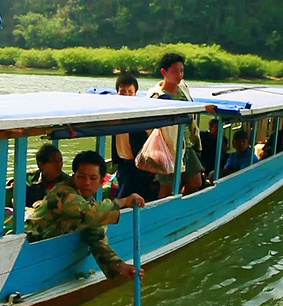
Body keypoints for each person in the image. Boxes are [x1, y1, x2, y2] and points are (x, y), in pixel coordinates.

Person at [25, 150, 145, 281]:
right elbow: (89, 214)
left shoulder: (90, 203)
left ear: (101, 182)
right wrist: (122, 201)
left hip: (50, 252)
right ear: (74, 176)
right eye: (81, 176)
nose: (87, 182)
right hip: (27, 246)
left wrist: (120, 266)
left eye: (93, 178)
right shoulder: (64, 193)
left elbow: (96, 237)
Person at [147, 53, 216, 196]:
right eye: (174, 71)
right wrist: (202, 107)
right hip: (168, 147)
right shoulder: (157, 95)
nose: (179, 75)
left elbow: (189, 109)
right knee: (168, 187)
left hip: (187, 143)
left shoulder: (183, 87)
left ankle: (179, 203)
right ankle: (163, 212)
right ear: (163, 72)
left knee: (196, 181)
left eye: (181, 70)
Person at [111, 72, 157, 201]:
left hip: (137, 166)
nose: (126, 95)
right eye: (122, 92)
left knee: (125, 198)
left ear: (135, 93)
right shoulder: (113, 113)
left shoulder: (141, 115)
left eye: (129, 92)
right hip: (122, 164)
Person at [5, 143, 70, 207]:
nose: (59, 164)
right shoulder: (30, 179)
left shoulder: (68, 182)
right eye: (54, 161)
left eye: (60, 160)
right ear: (41, 164)